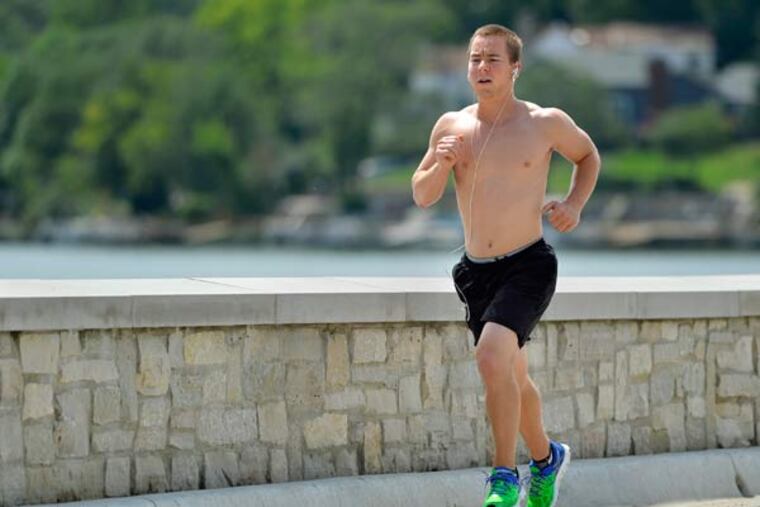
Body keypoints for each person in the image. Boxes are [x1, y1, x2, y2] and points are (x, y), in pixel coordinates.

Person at [411, 24, 601, 507]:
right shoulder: (451, 125)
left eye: (493, 60)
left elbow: (587, 155)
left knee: (492, 357)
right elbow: (422, 195)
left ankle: (503, 477)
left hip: (529, 265)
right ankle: (547, 459)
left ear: (515, 68)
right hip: (477, 272)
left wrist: (575, 205)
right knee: (511, 376)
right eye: (475, 59)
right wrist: (441, 163)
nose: (481, 68)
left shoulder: (544, 122)